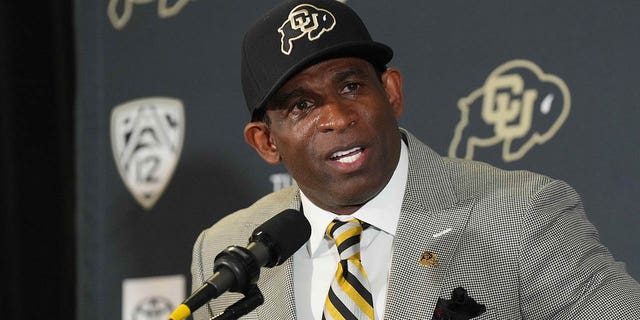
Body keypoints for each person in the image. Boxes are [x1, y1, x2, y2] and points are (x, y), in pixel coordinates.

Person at [190, 0, 640, 319]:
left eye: (351, 87)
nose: (338, 118)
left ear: (391, 92)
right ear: (266, 141)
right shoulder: (225, 252)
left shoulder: (520, 213)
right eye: (302, 106)